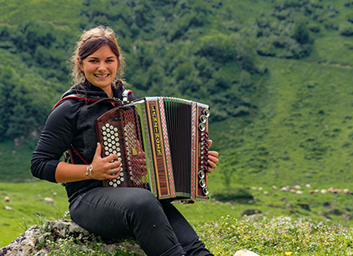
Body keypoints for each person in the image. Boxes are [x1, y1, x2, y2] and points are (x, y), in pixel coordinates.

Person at [31, 25, 219, 256]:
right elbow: (40, 164)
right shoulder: (70, 109)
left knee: (192, 246)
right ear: (81, 64)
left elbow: (153, 157)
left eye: (109, 60)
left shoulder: (131, 103)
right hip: (88, 200)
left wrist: (195, 161)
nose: (102, 67)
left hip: (136, 196)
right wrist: (91, 171)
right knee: (143, 202)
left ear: (118, 62)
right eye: (93, 60)